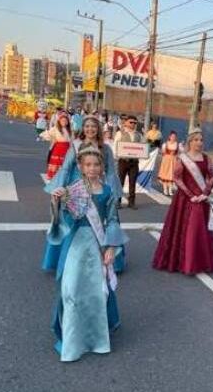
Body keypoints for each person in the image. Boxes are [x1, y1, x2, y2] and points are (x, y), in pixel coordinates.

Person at [48, 145, 128, 362]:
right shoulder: (73, 189)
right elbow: (65, 219)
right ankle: (73, 341)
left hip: (96, 245)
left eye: (96, 164)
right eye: (88, 165)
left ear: (102, 167)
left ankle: (96, 339)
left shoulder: (108, 191)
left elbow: (111, 220)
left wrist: (111, 247)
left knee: (95, 293)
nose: (92, 168)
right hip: (76, 245)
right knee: (71, 290)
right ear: (81, 167)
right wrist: (57, 201)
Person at [42, 116, 124, 273]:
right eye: (87, 126)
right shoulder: (76, 145)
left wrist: (113, 192)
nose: (90, 129)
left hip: (98, 187)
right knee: (73, 221)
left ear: (98, 129)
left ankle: (109, 257)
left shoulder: (105, 148)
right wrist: (60, 187)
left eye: (93, 126)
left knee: (104, 220)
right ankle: (66, 258)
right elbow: (66, 167)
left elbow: (111, 172)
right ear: (83, 128)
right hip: (76, 188)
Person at [152, 127, 213, 275]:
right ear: (190, 142)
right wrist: (190, 194)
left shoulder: (207, 158)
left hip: (202, 199)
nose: (199, 142)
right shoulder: (183, 158)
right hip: (185, 200)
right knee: (188, 229)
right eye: (195, 140)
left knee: (200, 230)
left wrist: (205, 193)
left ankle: (200, 261)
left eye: (201, 140)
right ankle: (186, 262)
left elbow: (212, 177)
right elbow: (177, 178)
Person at [113, 115, 143, 210]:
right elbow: (115, 146)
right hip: (123, 161)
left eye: (135, 123)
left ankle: (131, 202)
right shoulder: (120, 133)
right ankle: (118, 201)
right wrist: (117, 156)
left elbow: (142, 147)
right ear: (126, 123)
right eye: (131, 122)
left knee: (132, 182)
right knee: (120, 182)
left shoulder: (138, 135)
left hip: (134, 162)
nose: (133, 124)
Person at [45, 113, 72, 180]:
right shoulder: (55, 129)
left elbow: (72, 139)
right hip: (58, 147)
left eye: (66, 121)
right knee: (56, 162)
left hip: (67, 148)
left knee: (65, 163)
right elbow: (48, 135)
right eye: (62, 121)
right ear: (59, 121)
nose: (64, 122)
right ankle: (53, 176)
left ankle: (62, 177)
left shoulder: (70, 130)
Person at [157, 131, 179, 196]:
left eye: (174, 137)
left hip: (173, 161)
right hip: (166, 160)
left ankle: (170, 190)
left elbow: (178, 153)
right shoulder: (165, 144)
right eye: (172, 136)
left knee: (172, 175)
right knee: (165, 175)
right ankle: (165, 189)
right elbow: (162, 152)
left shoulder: (177, 144)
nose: (173, 138)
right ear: (169, 137)